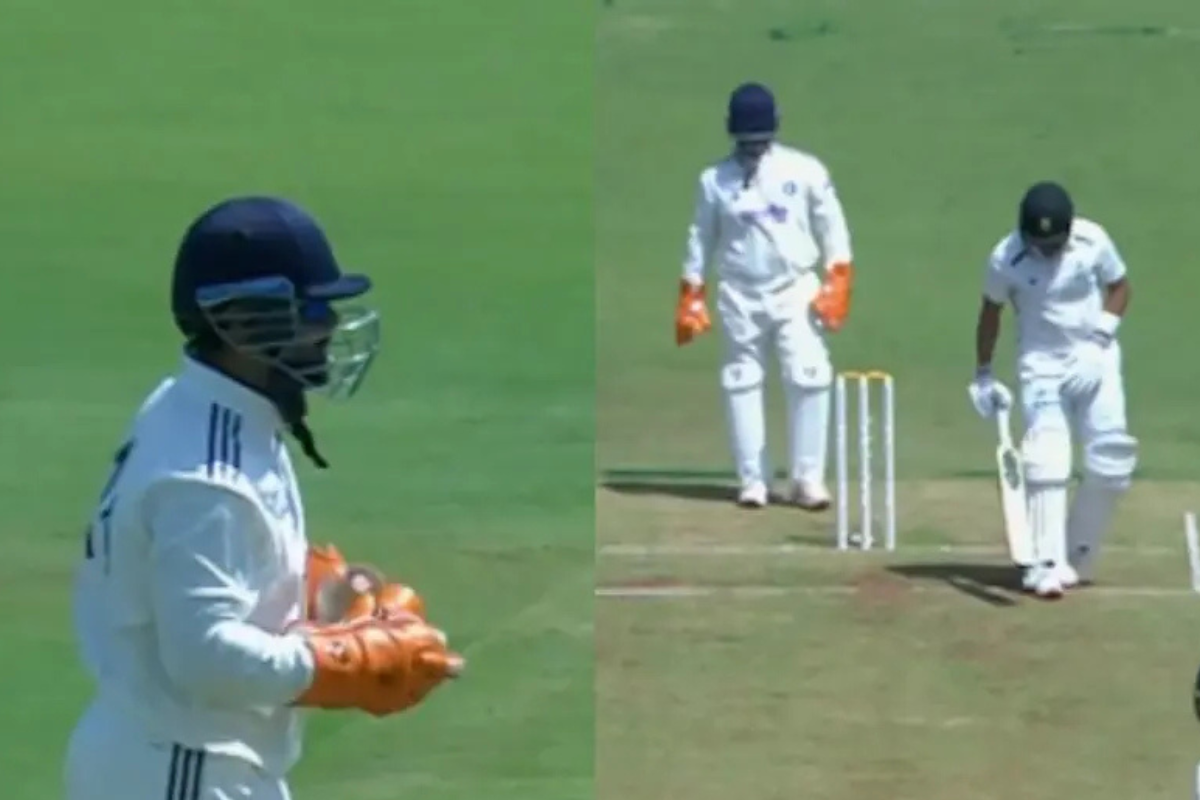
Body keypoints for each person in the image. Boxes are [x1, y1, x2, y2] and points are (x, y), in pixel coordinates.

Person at [64, 196, 464, 799]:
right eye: (312, 309)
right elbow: (203, 657)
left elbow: (209, 566)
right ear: (247, 319)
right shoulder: (206, 474)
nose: (330, 325)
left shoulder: (211, 409)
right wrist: (344, 661)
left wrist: (322, 597)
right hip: (184, 768)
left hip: (187, 761)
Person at [674, 81, 856, 509]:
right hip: (739, 292)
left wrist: (838, 280)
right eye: (746, 141)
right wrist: (691, 292)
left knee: (809, 376)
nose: (753, 150)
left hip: (795, 288)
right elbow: (700, 236)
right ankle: (753, 481)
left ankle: (808, 480)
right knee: (741, 380)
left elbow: (833, 228)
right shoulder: (714, 180)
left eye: (759, 140)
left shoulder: (805, 170)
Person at [969, 181, 1137, 599]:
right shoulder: (1005, 257)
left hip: (1094, 357)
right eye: (1039, 244)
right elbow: (991, 313)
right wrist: (984, 372)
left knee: (1113, 462)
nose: (1046, 252)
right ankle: (1043, 563)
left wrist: (1099, 340)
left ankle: (1077, 554)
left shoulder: (1092, 239)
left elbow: (1120, 287)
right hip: (1042, 365)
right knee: (1047, 459)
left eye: (1054, 244)